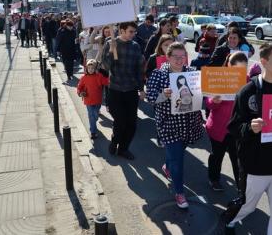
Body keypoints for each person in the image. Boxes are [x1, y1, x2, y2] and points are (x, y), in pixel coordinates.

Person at [223, 42, 272, 235]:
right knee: (248, 206)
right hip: (255, 165)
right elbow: (233, 127)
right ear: (264, 61)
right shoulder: (248, 91)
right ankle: (231, 220)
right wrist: (250, 128)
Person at [146, 42, 204, 208]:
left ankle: (168, 165)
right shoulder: (159, 74)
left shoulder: (192, 73)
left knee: (176, 155)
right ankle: (179, 192)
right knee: (178, 160)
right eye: (176, 57)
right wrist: (163, 95)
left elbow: (200, 97)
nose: (179, 60)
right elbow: (151, 98)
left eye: (182, 56)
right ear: (168, 57)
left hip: (189, 124)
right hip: (168, 125)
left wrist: (209, 96)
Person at [102, 22, 145, 160]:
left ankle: (123, 148)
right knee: (120, 121)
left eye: (134, 32)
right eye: (131, 32)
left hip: (131, 90)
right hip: (115, 89)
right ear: (122, 30)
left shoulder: (135, 46)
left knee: (131, 123)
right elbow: (106, 66)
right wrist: (111, 51)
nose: (133, 34)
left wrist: (141, 89)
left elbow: (139, 69)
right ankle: (115, 141)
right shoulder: (110, 43)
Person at [206, 51, 248, 192]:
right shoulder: (218, 77)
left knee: (238, 159)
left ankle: (241, 186)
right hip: (218, 127)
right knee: (216, 156)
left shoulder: (248, 80)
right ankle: (214, 179)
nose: (240, 73)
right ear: (229, 65)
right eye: (237, 69)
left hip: (237, 129)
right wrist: (215, 101)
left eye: (243, 69)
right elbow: (209, 104)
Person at [77, 59, 109, 140]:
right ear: (86, 68)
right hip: (88, 100)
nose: (90, 70)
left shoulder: (99, 76)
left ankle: (93, 123)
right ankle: (93, 132)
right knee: (91, 115)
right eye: (89, 68)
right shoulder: (84, 78)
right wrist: (80, 93)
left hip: (98, 100)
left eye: (92, 68)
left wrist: (111, 76)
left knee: (94, 115)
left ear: (95, 69)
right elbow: (79, 87)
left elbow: (107, 82)